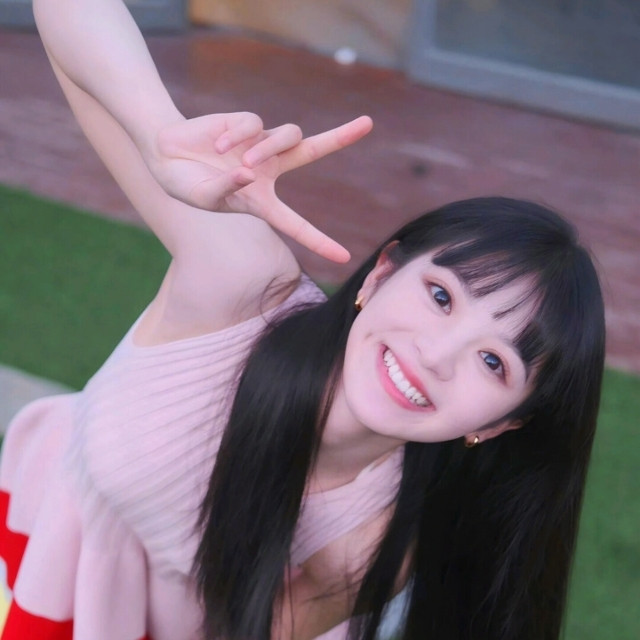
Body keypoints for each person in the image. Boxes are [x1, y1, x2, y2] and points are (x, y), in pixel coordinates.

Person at [0, 0, 605, 638]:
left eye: (492, 361)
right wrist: (156, 130)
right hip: (35, 532)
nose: (435, 354)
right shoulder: (243, 283)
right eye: (441, 296)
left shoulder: (379, 541)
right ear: (380, 274)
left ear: (502, 423)